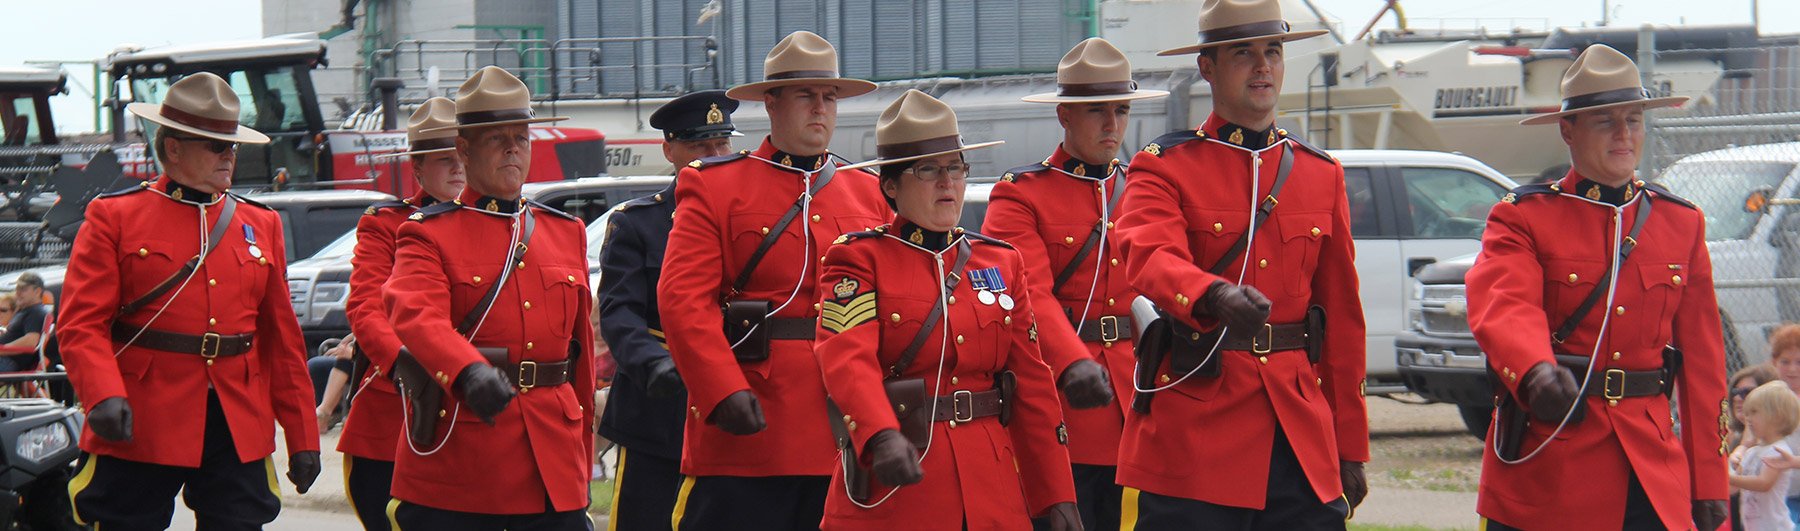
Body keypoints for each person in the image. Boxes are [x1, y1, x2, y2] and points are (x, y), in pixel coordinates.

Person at [1111, 0, 1367, 527]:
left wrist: (1349, 443)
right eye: (1242, 53)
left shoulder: (1321, 174)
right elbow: (1146, 251)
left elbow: (1341, 320)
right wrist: (1212, 295)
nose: (1262, 66)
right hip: (1199, 429)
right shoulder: (1165, 166)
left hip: (1298, 435)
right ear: (1207, 67)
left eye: (1272, 51)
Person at [1465, 43, 1728, 530]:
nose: (1625, 134)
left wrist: (1709, 482)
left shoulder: (1680, 223)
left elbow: (1704, 366)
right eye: (1606, 121)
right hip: (1555, 457)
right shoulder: (1524, 216)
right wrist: (1534, 372)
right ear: (1568, 130)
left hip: (1651, 467)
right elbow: (1504, 306)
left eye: (1634, 118)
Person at [58, 72, 321, 529]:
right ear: (173, 148)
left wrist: (303, 435)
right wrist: (101, 394)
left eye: (232, 145)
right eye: (216, 146)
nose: (229, 155)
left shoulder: (262, 224)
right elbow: (81, 323)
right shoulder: (115, 216)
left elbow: (282, 341)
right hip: (143, 411)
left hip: (236, 416)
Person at [811, 89, 1078, 529]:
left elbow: (1031, 384)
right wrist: (879, 434)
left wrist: (1055, 493)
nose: (946, 182)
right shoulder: (858, 259)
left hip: (992, 488)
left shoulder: (1001, 261)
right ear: (890, 186)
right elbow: (846, 358)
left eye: (955, 167)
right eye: (928, 169)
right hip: (901, 486)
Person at [658, 30, 891, 530]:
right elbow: (682, 300)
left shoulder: (867, 192)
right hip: (752, 419)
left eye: (829, 97)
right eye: (806, 95)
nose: (820, 109)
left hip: (845, 420)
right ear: (771, 103)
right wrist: (719, 389)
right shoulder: (715, 184)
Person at [382, 66, 596, 529]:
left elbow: (578, 357)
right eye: (496, 138)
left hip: (554, 462)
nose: (512, 148)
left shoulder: (565, 232)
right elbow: (414, 312)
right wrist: (467, 370)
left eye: (520, 136)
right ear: (463, 149)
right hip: (469, 458)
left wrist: (583, 447)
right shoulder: (428, 234)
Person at [984, 37, 1164, 531]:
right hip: (1064, 403)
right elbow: (1028, 295)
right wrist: (1072, 361)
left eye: (1121, 110)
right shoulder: (1021, 195)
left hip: (1139, 399)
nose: (1112, 124)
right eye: (1095, 111)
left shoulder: (1144, 189)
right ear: (1064, 116)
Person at [596, 89, 739, 531]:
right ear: (669, 150)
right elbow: (619, 314)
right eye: (699, 145)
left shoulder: (754, 220)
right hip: (662, 408)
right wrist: (652, 363)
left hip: (738, 405)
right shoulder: (638, 223)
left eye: (722, 144)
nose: (713, 156)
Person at [336, 96, 467, 529]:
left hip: (478, 414)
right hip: (401, 411)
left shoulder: (514, 224)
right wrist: (403, 366)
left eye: (465, 155)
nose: (458, 168)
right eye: (445, 159)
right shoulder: (387, 223)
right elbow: (366, 307)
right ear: (417, 170)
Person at [1733, 381, 1800, 531]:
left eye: (1754, 412)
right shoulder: (1751, 453)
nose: (1748, 418)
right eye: (1747, 413)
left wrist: (1729, 477)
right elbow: (1734, 487)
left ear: (1777, 416)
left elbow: (1764, 483)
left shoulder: (1778, 450)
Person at [0, 272, 52, 371]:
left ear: (37, 291)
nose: (18, 293)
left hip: (8, 361)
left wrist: (3, 349)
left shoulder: (36, 312)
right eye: (17, 288)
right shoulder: (25, 310)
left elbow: (30, 341)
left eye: (23, 289)